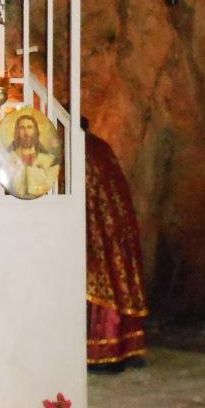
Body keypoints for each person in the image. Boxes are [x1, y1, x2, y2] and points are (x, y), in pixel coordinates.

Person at [83, 118, 148, 371]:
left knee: (96, 282)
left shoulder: (76, 151)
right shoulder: (101, 147)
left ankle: (100, 350)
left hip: (93, 235)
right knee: (115, 281)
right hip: (114, 232)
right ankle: (125, 347)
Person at [2, 113, 59, 198]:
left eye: (29, 127)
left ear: (35, 131)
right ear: (17, 132)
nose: (26, 132)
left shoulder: (49, 160)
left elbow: (50, 184)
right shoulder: (8, 159)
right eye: (22, 128)